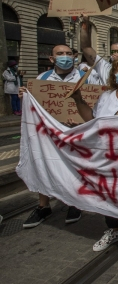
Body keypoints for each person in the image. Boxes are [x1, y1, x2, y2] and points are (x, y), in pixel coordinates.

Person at [69, 56, 118, 255]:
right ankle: (114, 229)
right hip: (110, 158)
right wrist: (78, 99)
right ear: (113, 75)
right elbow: (92, 120)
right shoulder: (106, 97)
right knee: (111, 195)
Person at [20, 44, 84, 228]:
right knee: (42, 163)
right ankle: (43, 205)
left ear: (75, 56)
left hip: (76, 130)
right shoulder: (42, 79)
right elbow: (36, 103)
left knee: (74, 166)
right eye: (60, 54)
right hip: (49, 133)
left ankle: (74, 203)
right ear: (51, 59)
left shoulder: (85, 78)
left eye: (68, 53)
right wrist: (25, 96)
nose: (65, 57)